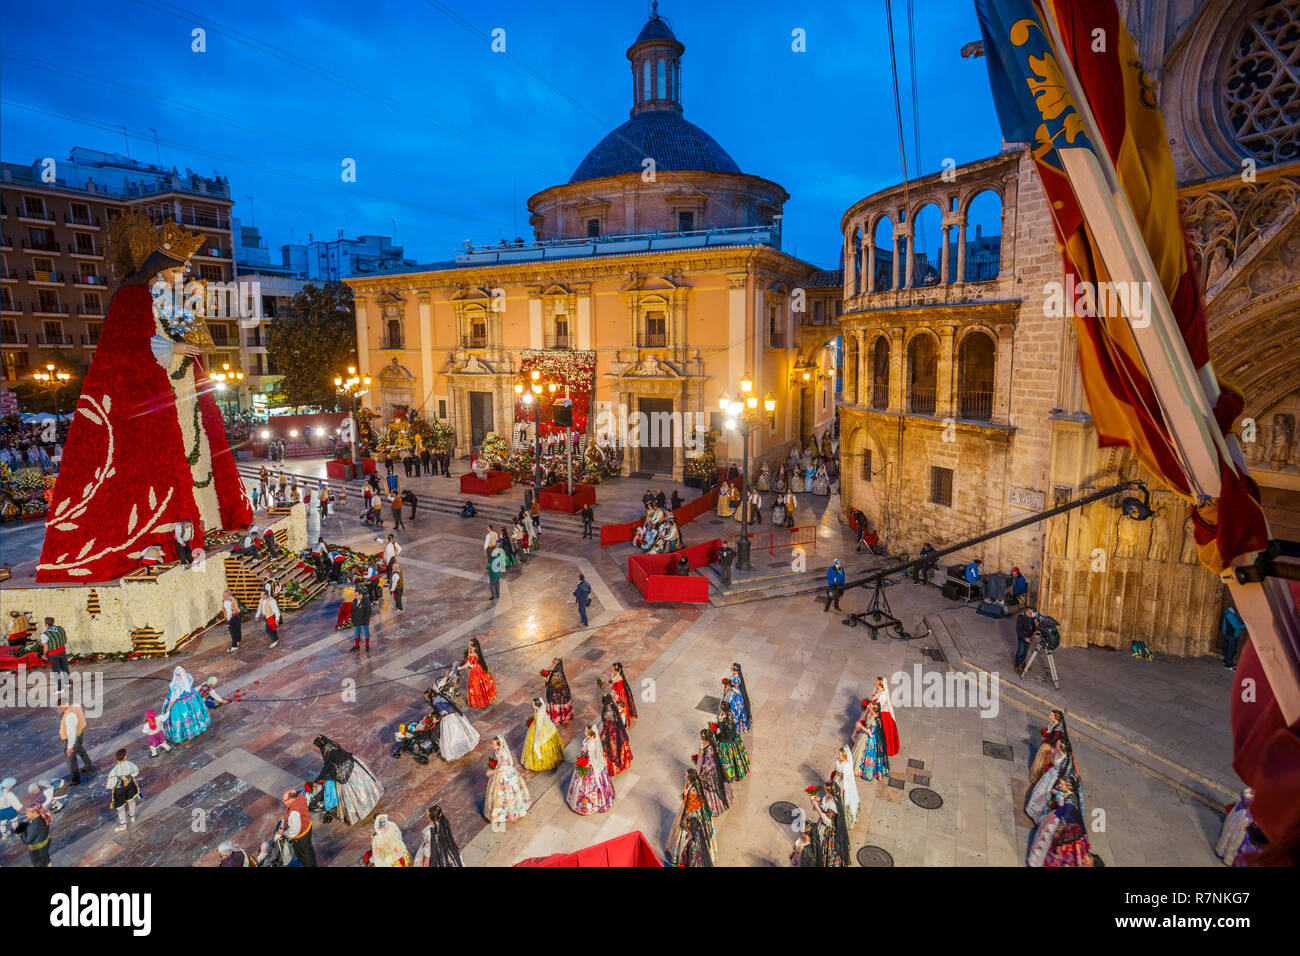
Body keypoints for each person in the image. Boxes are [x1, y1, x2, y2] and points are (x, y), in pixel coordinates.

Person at [313, 735, 385, 824]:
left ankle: (360, 810)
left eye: (316, 747)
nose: (316, 749)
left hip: (344, 770)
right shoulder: (330, 744)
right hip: (351, 764)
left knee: (351, 792)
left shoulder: (327, 751)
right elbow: (325, 739)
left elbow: (327, 766)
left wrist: (318, 779)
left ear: (320, 746)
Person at [668, 769, 717, 866]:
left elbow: (691, 806)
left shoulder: (693, 790)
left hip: (693, 814)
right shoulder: (690, 785)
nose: (684, 776)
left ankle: (681, 857)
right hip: (691, 809)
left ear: (690, 777)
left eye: (686, 775)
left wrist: (686, 819)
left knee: (688, 834)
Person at [566, 725, 615, 815]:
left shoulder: (592, 744)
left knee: (588, 784)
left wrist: (585, 764)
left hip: (589, 765)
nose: (585, 732)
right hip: (584, 761)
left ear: (591, 734)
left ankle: (590, 805)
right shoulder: (587, 740)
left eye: (587, 731)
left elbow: (591, 757)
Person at [483, 736, 532, 824]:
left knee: (506, 794)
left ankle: (508, 813)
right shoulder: (497, 750)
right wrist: (493, 764)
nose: (492, 745)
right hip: (499, 771)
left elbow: (504, 767)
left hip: (504, 775)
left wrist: (492, 771)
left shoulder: (503, 754)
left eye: (494, 744)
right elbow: (498, 761)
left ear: (499, 744)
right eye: (492, 743)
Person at [426, 686, 481, 760]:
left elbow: (444, 712)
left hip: (449, 718)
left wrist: (437, 719)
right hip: (455, 714)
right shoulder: (441, 696)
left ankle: (457, 750)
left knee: (452, 735)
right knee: (461, 731)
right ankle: (467, 745)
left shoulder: (435, 702)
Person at [160, 666, 211, 743]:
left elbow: (173, 698)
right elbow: (189, 685)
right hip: (191, 698)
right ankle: (197, 727)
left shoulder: (175, 685)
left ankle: (182, 734)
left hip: (180, 703)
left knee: (180, 717)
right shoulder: (188, 676)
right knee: (193, 713)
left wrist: (168, 708)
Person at [57, 696, 96, 785]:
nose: (59, 709)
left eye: (60, 707)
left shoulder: (69, 716)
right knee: (80, 749)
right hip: (80, 732)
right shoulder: (76, 706)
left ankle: (75, 779)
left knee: (71, 760)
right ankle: (88, 765)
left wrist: (69, 747)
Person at [694, 727, 733, 815]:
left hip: (709, 772)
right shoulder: (709, 744)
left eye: (702, 737)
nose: (702, 738)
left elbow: (702, 760)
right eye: (701, 736)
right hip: (713, 770)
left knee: (711, 788)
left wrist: (699, 770)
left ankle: (715, 808)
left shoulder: (706, 746)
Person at [521, 697, 565, 772]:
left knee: (536, 744)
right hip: (541, 725)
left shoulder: (539, 714)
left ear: (537, 705)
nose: (532, 705)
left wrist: (536, 736)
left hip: (540, 728)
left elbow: (539, 727)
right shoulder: (539, 710)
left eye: (533, 704)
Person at [105, 748, 141, 833]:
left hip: (119, 790)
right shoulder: (130, 764)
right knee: (131, 800)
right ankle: (132, 817)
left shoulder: (113, 772)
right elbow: (135, 772)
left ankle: (123, 825)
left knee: (120, 807)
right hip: (130, 785)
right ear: (125, 757)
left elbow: (110, 784)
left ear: (116, 758)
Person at [278, 788, 316, 867]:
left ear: (291, 799)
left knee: (303, 855)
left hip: (301, 837)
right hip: (308, 827)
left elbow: (295, 831)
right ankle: (314, 864)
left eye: (284, 800)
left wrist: (284, 834)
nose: (283, 801)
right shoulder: (301, 796)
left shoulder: (294, 813)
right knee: (309, 848)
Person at [853, 700, 890, 781]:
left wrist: (860, 726)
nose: (869, 707)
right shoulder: (870, 714)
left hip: (870, 741)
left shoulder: (875, 720)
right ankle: (858, 768)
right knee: (859, 752)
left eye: (870, 707)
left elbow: (871, 733)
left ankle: (866, 773)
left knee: (867, 756)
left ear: (874, 710)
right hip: (864, 735)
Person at [599, 692, 634, 774]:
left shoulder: (608, 710)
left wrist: (604, 733)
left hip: (612, 731)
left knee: (612, 748)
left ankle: (615, 767)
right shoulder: (612, 707)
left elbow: (607, 723)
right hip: (615, 730)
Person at [13, 801, 52, 867]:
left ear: (34, 813)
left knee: (39, 864)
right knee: (46, 859)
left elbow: (27, 840)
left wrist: (21, 833)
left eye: (28, 812)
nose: (26, 815)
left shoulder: (34, 825)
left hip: (37, 849)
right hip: (45, 842)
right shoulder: (43, 817)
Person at [459, 638, 496, 707]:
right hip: (478, 669)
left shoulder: (474, 653)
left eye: (469, 643)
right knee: (480, 685)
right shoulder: (473, 651)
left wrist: (460, 668)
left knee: (476, 686)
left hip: (475, 671)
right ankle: (485, 699)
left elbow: (469, 663)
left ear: (472, 645)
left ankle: (479, 701)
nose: (468, 644)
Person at [870, 676, 901, 756]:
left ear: (880, 683)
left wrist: (871, 708)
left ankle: (883, 749)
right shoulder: (875, 690)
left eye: (876, 681)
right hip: (874, 710)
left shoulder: (883, 694)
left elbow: (879, 706)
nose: (875, 681)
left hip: (881, 713)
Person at [38, 617, 70, 689]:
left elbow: (46, 647)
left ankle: (60, 688)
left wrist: (44, 655)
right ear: (53, 622)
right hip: (62, 651)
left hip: (53, 654)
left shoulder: (44, 635)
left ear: (46, 624)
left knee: (56, 671)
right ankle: (67, 683)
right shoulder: (60, 628)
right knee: (65, 668)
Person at [832, 745, 861, 828]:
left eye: (839, 755)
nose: (838, 756)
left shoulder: (846, 766)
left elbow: (845, 780)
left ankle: (843, 820)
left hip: (842, 785)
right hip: (836, 780)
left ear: (844, 756)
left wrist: (841, 790)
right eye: (838, 754)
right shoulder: (839, 762)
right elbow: (836, 771)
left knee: (842, 801)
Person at [720, 662, 753, 732]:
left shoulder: (737, 678)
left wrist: (729, 687)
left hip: (735, 695)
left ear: (735, 669)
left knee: (735, 709)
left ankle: (736, 725)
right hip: (732, 692)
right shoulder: (735, 675)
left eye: (731, 667)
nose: (730, 668)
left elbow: (737, 690)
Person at [544, 658, 573, 726]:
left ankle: (557, 721)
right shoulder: (560, 671)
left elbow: (551, 686)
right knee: (563, 706)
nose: (552, 665)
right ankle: (565, 718)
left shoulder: (555, 674)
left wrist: (546, 680)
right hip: (564, 693)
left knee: (557, 707)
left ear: (555, 664)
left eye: (553, 663)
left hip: (556, 696)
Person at [1221, 603, 1247, 669]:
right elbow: (1236, 626)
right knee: (1231, 650)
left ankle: (1226, 661)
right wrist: (1246, 625)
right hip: (1231, 635)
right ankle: (1228, 665)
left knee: (1228, 648)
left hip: (1229, 634)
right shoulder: (1230, 615)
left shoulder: (1231, 613)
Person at [350, 585, 372, 653]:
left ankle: (367, 645)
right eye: (355, 595)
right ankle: (357, 646)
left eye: (356, 595)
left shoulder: (366, 601)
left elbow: (369, 612)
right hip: (356, 622)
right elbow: (352, 610)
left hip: (363, 622)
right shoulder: (354, 601)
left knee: (366, 634)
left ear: (361, 595)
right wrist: (352, 619)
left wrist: (364, 620)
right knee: (356, 635)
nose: (355, 596)